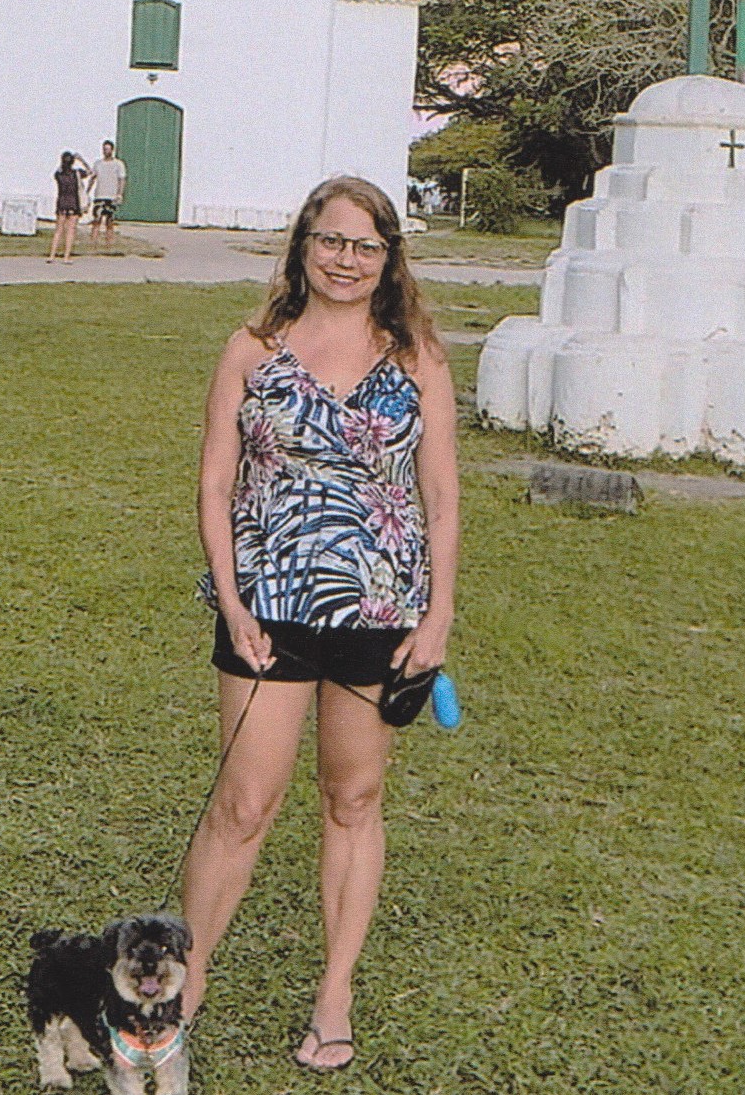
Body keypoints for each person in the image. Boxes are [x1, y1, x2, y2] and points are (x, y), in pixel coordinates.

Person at [181, 175, 460, 1070]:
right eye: (330, 240)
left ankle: (333, 995)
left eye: (365, 244)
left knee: (353, 799)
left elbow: (442, 496)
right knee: (243, 802)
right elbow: (216, 484)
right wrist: (230, 600)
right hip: (266, 610)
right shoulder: (252, 349)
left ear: (389, 257)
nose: (346, 259)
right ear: (303, 246)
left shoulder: (416, 356)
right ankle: (180, 988)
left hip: (378, 613)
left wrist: (438, 615)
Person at [48, 151, 90, 262]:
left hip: (61, 202)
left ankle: (52, 255)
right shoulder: (76, 173)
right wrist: (81, 160)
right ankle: (66, 256)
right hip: (73, 203)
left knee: (58, 230)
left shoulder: (59, 175)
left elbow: (56, 172)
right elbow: (90, 172)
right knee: (71, 230)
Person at [88, 140, 127, 248]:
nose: (106, 151)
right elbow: (93, 177)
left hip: (111, 196)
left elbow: (122, 179)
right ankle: (93, 243)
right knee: (97, 220)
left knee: (109, 221)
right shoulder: (98, 164)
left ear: (112, 150)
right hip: (100, 195)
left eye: (108, 149)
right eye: (105, 149)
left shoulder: (118, 164)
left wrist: (120, 194)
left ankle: (109, 243)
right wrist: (87, 191)